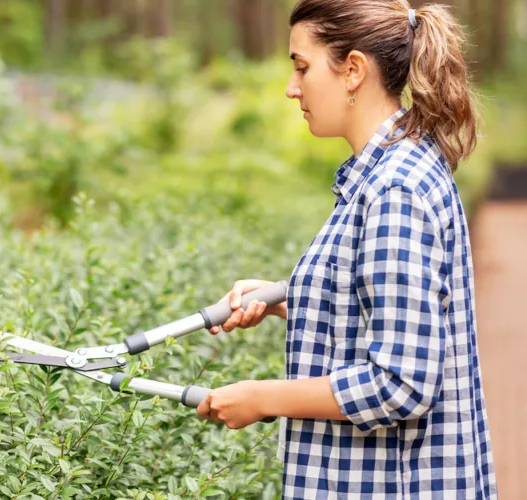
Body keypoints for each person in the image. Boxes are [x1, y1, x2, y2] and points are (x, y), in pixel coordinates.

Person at [195, 0, 498, 497]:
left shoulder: (395, 189)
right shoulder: (385, 174)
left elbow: (401, 381)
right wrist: (287, 302)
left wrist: (262, 397)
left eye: (302, 67)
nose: (292, 88)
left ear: (353, 70)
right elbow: (381, 318)